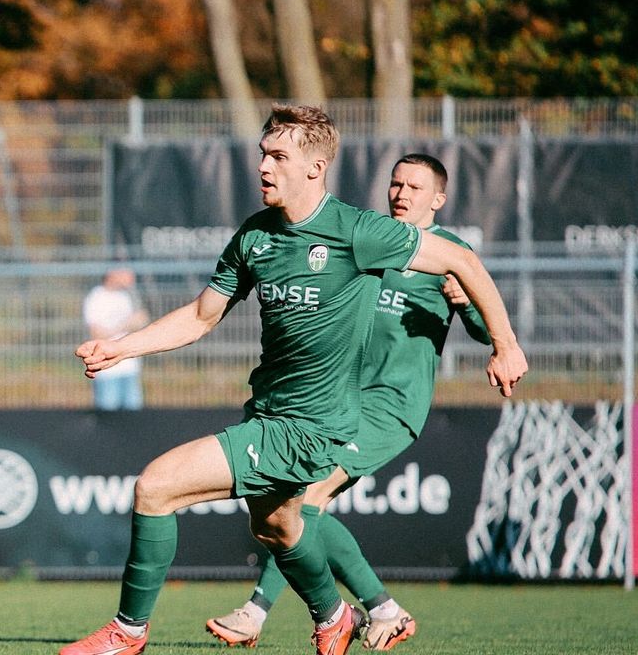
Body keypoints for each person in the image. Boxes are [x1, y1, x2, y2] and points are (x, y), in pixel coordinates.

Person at [61, 106, 527, 655]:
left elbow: (464, 264)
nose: (264, 166)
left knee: (155, 487)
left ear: (315, 167)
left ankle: (127, 633)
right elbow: (201, 316)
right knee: (279, 527)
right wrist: (122, 347)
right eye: (263, 154)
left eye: (279, 156)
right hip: (267, 410)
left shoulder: (358, 231)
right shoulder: (255, 235)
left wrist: (506, 344)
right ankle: (336, 617)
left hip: (310, 426)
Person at [204, 153, 493, 651]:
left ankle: (256, 612)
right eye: (396, 184)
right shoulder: (373, 239)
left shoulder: (447, 252)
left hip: (392, 405)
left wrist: (466, 305)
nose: (401, 193)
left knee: (306, 498)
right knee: (294, 506)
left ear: (438, 200)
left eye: (415, 188)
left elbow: (489, 331)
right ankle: (383, 609)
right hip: (340, 402)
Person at [83, 268, 149, 410]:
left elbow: (140, 322)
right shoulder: (96, 297)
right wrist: (125, 325)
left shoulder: (125, 296)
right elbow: (97, 334)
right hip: (107, 371)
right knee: (108, 415)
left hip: (130, 367)